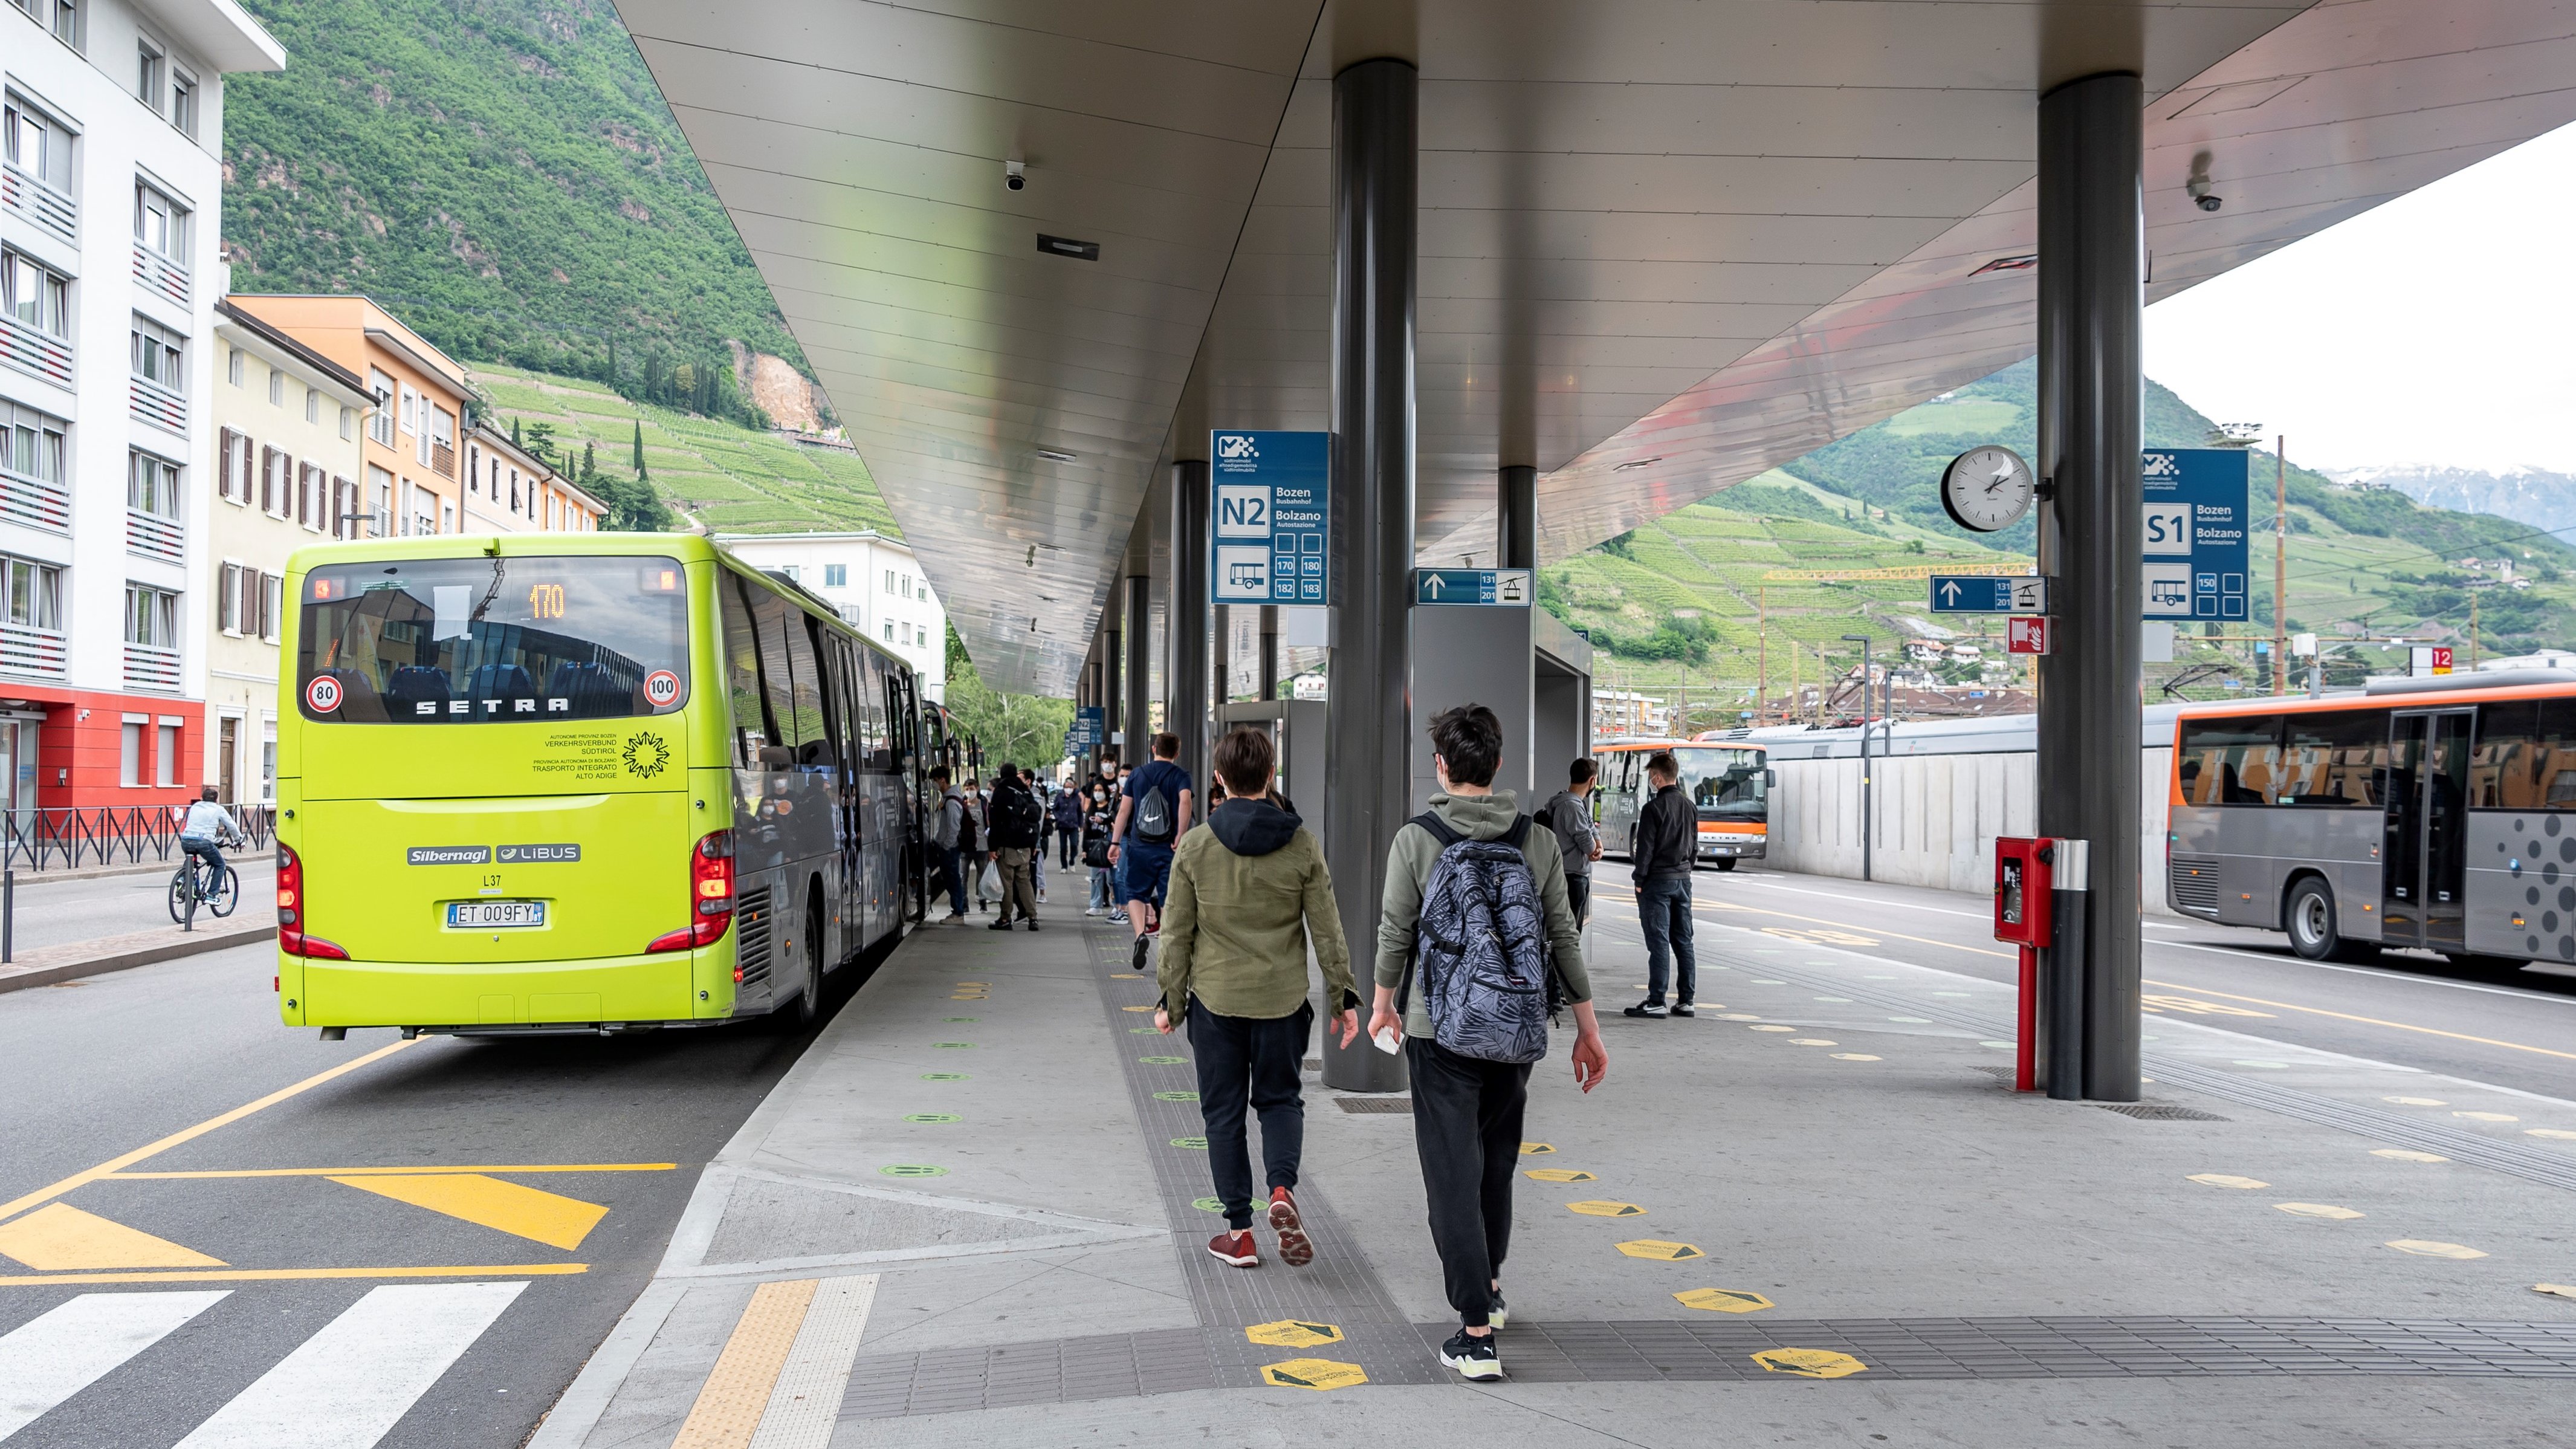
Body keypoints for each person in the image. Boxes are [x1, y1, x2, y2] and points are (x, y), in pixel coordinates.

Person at [1370, 703, 1607, 1382]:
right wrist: (1587, 1029)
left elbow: (1396, 932)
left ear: (1441, 767)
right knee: (1494, 1163)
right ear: (1497, 763)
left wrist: (1384, 1005)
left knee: (1451, 1173)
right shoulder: (1532, 840)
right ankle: (1491, 1290)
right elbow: (1561, 935)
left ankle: (1474, 1333)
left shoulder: (1416, 839)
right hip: (1513, 1030)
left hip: (1438, 1030)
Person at [1154, 727, 1359, 1269]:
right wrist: (1344, 997)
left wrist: (1170, 1002)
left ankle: (1240, 1234)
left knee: (1222, 1115)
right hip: (1283, 1002)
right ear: (1271, 776)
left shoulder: (1196, 845)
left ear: (1219, 779)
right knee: (1280, 1101)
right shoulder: (1300, 844)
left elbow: (1175, 932)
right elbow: (1327, 928)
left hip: (1216, 1003)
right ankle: (1282, 1190)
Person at [1108, 733, 1193, 973]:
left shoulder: (1137, 774)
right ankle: (1166, 945)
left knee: (1136, 893)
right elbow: (1185, 803)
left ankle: (1139, 935)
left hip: (1140, 846)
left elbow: (1124, 811)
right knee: (1168, 897)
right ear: (1177, 752)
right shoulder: (1181, 776)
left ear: (1154, 749)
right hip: (1169, 849)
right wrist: (1181, 835)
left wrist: (1115, 843)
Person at [1626, 750, 1698, 1018]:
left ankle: (1657, 1000)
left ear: (1656, 777)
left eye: (1651, 776)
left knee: (1658, 942)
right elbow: (1694, 848)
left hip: (1657, 882)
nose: (1651, 780)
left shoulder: (1653, 809)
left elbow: (1645, 850)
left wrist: (1639, 880)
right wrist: (1684, 869)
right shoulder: (1690, 806)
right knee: (1684, 941)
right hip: (1683, 880)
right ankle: (1686, 1000)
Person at [1540, 759, 1604, 927]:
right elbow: (1587, 843)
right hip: (1572, 878)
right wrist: (1595, 847)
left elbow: (1590, 825)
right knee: (1571, 933)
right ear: (1592, 781)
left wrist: (1599, 844)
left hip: (1573, 876)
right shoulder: (1571, 806)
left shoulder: (1575, 802)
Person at [985, 763, 1043, 930]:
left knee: (1007, 883)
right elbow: (1033, 820)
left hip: (1007, 845)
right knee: (1024, 881)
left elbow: (995, 822)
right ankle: (1033, 918)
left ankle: (1005, 918)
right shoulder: (1026, 792)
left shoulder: (1001, 792)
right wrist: (1033, 844)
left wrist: (992, 847)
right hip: (1025, 844)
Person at [178, 786, 244, 895]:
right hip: (203, 842)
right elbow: (231, 825)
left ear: (202, 798)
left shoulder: (195, 806)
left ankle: (183, 878)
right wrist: (239, 839)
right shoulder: (218, 809)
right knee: (220, 864)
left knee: (191, 859)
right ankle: (212, 894)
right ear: (216, 800)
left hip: (185, 840)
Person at [929, 767, 967, 922]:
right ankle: (957, 910)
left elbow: (954, 828)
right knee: (950, 879)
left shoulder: (951, 802)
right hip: (946, 846)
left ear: (942, 780)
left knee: (953, 879)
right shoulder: (947, 798)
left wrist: (946, 846)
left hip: (950, 848)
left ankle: (958, 912)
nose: (934, 785)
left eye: (935, 781)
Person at [1084, 783, 1118, 916]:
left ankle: (1116, 905)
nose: (1098, 793)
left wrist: (1105, 822)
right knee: (1095, 877)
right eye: (1096, 791)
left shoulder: (1111, 808)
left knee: (1112, 879)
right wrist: (1085, 848)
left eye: (1100, 790)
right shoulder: (1091, 808)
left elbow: (1115, 824)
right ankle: (1095, 905)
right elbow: (1087, 829)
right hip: (1094, 846)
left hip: (1109, 845)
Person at [960, 776, 989, 915]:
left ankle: (983, 903)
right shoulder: (962, 805)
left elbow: (989, 823)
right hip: (966, 847)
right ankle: (965, 905)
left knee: (982, 876)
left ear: (977, 789)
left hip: (982, 846)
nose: (969, 792)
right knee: (963, 877)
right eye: (967, 789)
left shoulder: (984, 804)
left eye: (971, 789)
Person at [1052, 779, 1084, 870]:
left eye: (1070, 787)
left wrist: (1081, 824)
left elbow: (1080, 812)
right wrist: (1059, 817)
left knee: (1074, 845)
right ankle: (1064, 866)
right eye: (1067, 787)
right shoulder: (1060, 797)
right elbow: (1054, 809)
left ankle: (1072, 861)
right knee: (1063, 847)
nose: (1068, 789)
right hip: (1062, 825)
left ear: (1074, 788)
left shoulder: (1077, 798)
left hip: (1074, 825)